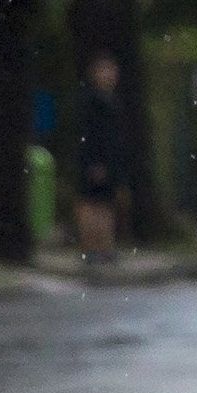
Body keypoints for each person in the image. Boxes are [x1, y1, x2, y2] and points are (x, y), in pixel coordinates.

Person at [68, 53, 130, 266]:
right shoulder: (93, 102)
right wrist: (95, 161)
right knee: (91, 203)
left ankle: (105, 247)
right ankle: (91, 248)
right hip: (96, 160)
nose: (110, 76)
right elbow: (91, 134)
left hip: (109, 160)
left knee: (106, 204)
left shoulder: (111, 101)